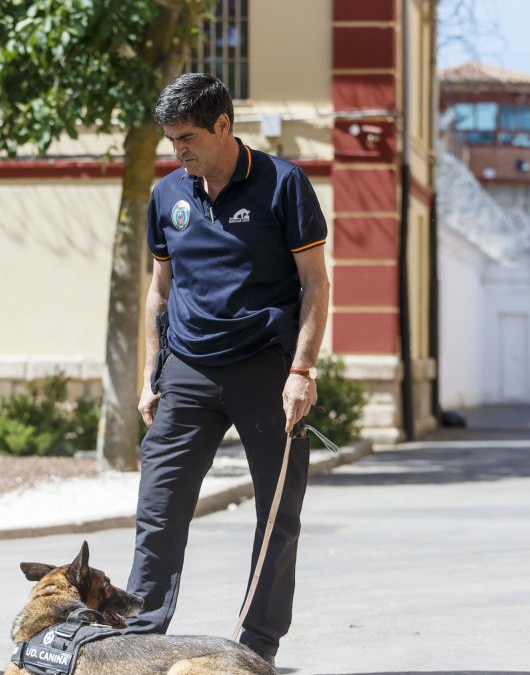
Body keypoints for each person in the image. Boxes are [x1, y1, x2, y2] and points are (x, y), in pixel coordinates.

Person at [124, 73, 330, 671]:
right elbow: (159, 290)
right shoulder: (167, 195)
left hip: (267, 368)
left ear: (223, 126)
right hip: (187, 369)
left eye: (187, 138)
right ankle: (141, 637)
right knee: (159, 505)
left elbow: (315, 282)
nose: (178, 151)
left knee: (277, 513)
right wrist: (151, 373)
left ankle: (255, 646)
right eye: (170, 140)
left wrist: (303, 369)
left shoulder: (283, 183)